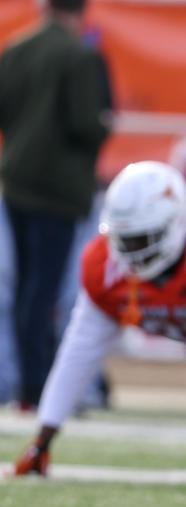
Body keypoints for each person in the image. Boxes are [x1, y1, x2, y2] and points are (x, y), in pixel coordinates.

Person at [12, 162, 186, 487]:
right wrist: (43, 437)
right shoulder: (106, 267)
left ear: (176, 224)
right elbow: (79, 352)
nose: (133, 253)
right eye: (125, 240)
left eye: (143, 239)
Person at [0, 0, 112, 410]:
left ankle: (24, 385)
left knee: (23, 287)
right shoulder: (81, 55)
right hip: (60, 189)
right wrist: (102, 126)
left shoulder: (15, 48)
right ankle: (43, 388)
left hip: (14, 180)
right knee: (53, 292)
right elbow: (88, 124)